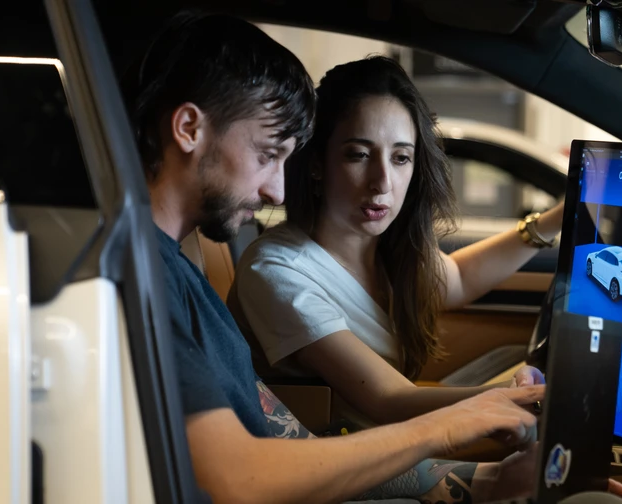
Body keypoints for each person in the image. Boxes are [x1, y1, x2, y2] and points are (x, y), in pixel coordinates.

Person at [128, 12, 592, 503]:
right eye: (267, 154)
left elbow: (295, 445)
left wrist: (482, 480)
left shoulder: (180, 279)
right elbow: (241, 478)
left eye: (401, 157)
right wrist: (449, 428)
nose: (275, 189)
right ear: (188, 129)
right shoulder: (153, 281)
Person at [228, 56, 564, 428]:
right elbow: (389, 400)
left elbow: (459, 279)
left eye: (401, 157)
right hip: (347, 469)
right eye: (358, 155)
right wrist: (526, 398)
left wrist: (558, 218)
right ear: (317, 163)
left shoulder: (384, 248)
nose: (383, 182)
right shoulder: (277, 270)